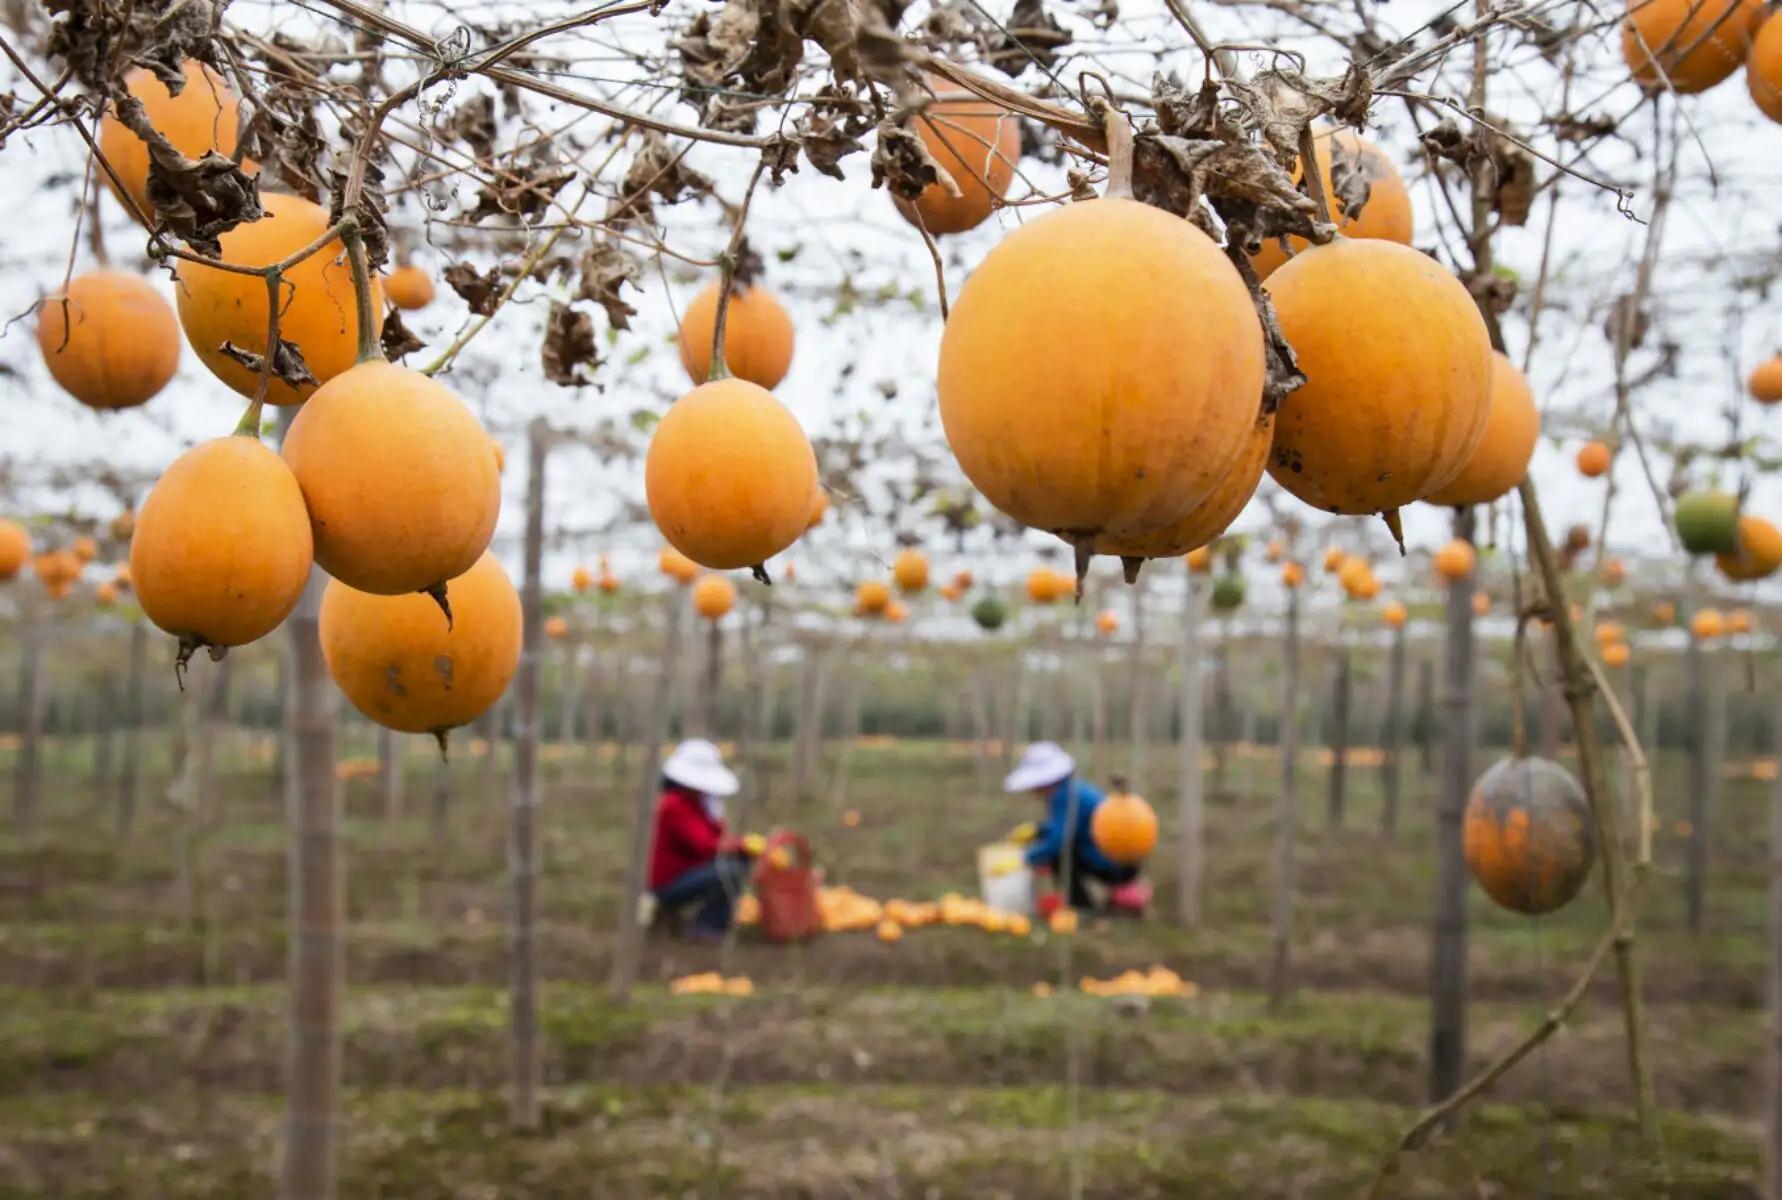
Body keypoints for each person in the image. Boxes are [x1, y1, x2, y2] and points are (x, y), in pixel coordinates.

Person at [1003, 741, 1138, 909]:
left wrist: (1024, 859)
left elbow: (1057, 841)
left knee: (1058, 856)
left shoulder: (1064, 797)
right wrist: (1038, 830)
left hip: (1115, 866)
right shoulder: (1072, 789)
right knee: (1057, 851)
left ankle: (1082, 907)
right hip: (1123, 862)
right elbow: (1070, 825)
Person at [648, 738, 751, 941]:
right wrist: (742, 844)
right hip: (668, 883)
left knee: (739, 862)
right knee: (731, 870)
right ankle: (706, 927)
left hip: (688, 871)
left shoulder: (697, 804)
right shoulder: (674, 805)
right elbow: (706, 846)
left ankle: (709, 919)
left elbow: (718, 835)